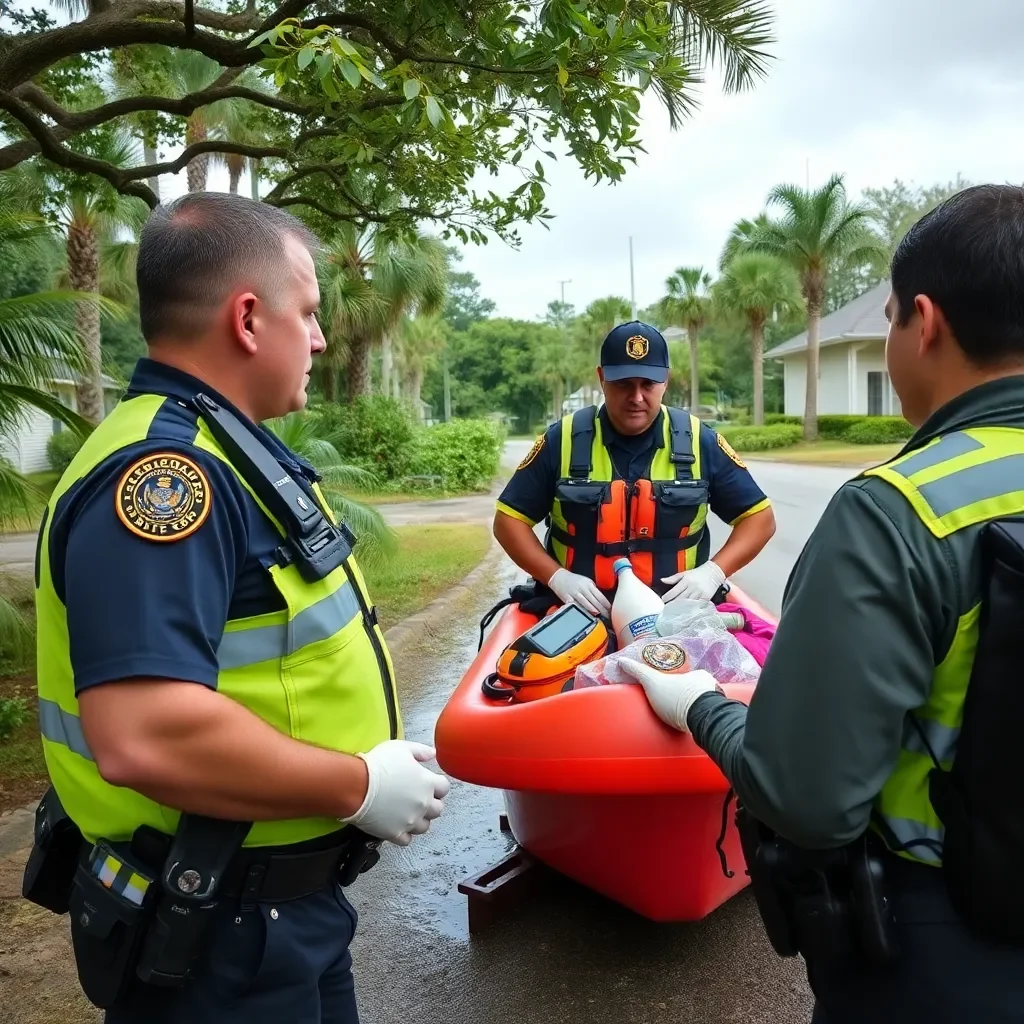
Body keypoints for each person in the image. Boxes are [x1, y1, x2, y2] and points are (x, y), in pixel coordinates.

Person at [24, 192, 449, 1023]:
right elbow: (147, 732)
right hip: (221, 936)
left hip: (277, 917)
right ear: (249, 319)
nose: (321, 339)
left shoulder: (221, 447)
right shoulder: (165, 476)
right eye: (310, 312)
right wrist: (357, 783)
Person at [619, 184, 1024, 1022]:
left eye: (887, 320)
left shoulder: (900, 511)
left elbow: (805, 797)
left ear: (925, 320)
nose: (638, 396)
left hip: (945, 945)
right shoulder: (569, 441)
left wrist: (699, 703)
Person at [493, 320, 776, 617]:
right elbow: (508, 521)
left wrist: (713, 573)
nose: (637, 397)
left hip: (677, 615)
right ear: (602, 378)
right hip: (578, 614)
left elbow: (759, 519)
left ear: (665, 380)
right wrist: (556, 577)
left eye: (648, 384)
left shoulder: (699, 441)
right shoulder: (561, 440)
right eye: (624, 384)